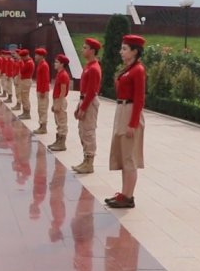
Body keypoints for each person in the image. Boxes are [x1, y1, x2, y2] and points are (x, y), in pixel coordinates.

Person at [105, 35, 146, 209]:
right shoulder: (128, 69)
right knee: (123, 155)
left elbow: (139, 99)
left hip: (130, 112)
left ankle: (128, 196)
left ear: (135, 51)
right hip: (122, 110)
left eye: (125, 49)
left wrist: (133, 123)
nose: (121, 52)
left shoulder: (138, 70)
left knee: (129, 158)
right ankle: (124, 193)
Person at [72, 38, 103, 174]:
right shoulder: (88, 66)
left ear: (92, 50)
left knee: (88, 132)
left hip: (89, 102)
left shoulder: (94, 68)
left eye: (85, 48)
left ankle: (89, 162)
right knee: (83, 131)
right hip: (84, 100)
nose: (82, 49)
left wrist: (83, 108)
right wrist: (79, 106)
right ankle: (85, 160)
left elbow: (91, 92)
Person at [48, 54, 71, 152]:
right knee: (58, 122)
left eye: (57, 62)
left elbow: (63, 91)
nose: (55, 64)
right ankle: (58, 141)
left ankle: (62, 143)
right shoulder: (59, 74)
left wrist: (58, 104)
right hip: (57, 100)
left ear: (62, 64)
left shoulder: (63, 75)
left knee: (62, 122)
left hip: (60, 100)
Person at [33, 48, 50, 133]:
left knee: (43, 109)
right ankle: (41, 126)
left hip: (43, 91)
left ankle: (43, 127)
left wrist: (43, 91)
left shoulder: (44, 65)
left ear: (42, 56)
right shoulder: (40, 64)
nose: (35, 56)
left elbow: (45, 80)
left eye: (37, 55)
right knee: (40, 109)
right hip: (39, 90)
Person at [18, 48, 35, 120]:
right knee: (23, 96)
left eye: (22, 57)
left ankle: (27, 113)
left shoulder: (29, 63)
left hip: (26, 81)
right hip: (25, 80)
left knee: (25, 98)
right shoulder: (28, 62)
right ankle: (24, 112)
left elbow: (22, 70)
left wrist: (21, 63)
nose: (22, 58)